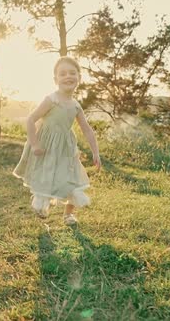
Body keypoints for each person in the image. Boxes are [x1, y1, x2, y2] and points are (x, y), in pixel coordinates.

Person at [13, 56, 101, 226]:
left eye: (72, 73)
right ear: (56, 80)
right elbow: (31, 119)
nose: (68, 76)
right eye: (62, 74)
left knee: (73, 179)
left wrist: (95, 152)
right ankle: (41, 204)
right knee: (46, 176)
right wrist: (35, 144)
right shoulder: (51, 99)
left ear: (79, 78)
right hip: (46, 146)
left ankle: (68, 215)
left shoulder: (75, 105)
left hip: (66, 148)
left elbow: (87, 130)